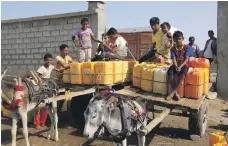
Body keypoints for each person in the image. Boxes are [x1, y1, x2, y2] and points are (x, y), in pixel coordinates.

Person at [167, 31, 192, 101]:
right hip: (176, 64)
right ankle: (175, 93)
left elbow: (186, 59)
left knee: (183, 72)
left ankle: (172, 92)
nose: (178, 41)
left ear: (183, 38)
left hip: (184, 64)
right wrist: (175, 66)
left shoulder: (188, 47)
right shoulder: (173, 48)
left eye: (179, 39)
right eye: (176, 39)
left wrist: (180, 67)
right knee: (170, 72)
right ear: (174, 40)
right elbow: (173, 58)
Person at [34, 54, 55, 129]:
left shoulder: (51, 66)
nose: (49, 62)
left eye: (50, 60)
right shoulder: (41, 69)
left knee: (46, 105)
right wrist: (41, 85)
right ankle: (37, 123)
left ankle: (43, 122)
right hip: (42, 86)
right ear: (44, 60)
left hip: (48, 85)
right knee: (38, 105)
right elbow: (37, 77)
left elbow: (57, 70)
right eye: (47, 60)